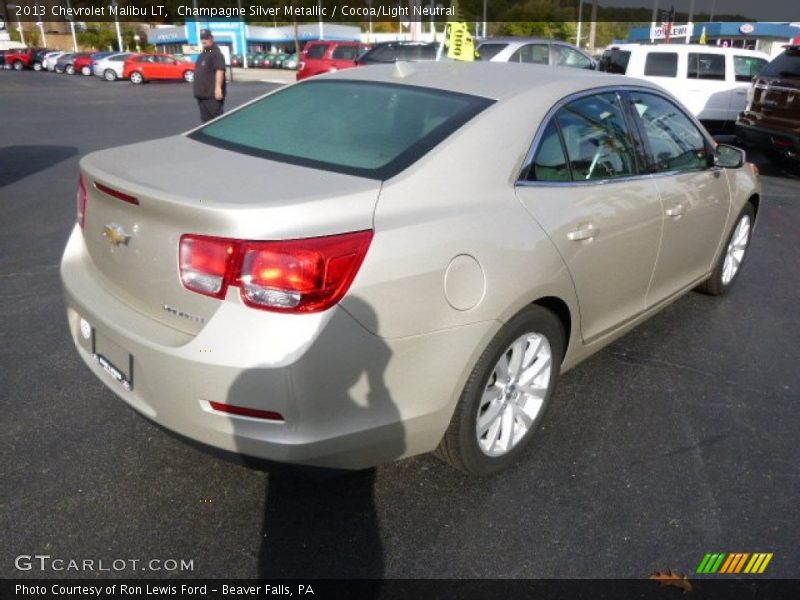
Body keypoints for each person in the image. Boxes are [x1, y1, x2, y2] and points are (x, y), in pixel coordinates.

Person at [193, 29, 226, 123]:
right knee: (206, 123)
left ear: (212, 38)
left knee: (217, 122)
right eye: (202, 38)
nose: (204, 40)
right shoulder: (203, 54)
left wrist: (218, 88)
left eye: (206, 38)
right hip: (202, 95)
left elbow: (220, 70)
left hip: (212, 97)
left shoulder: (216, 53)